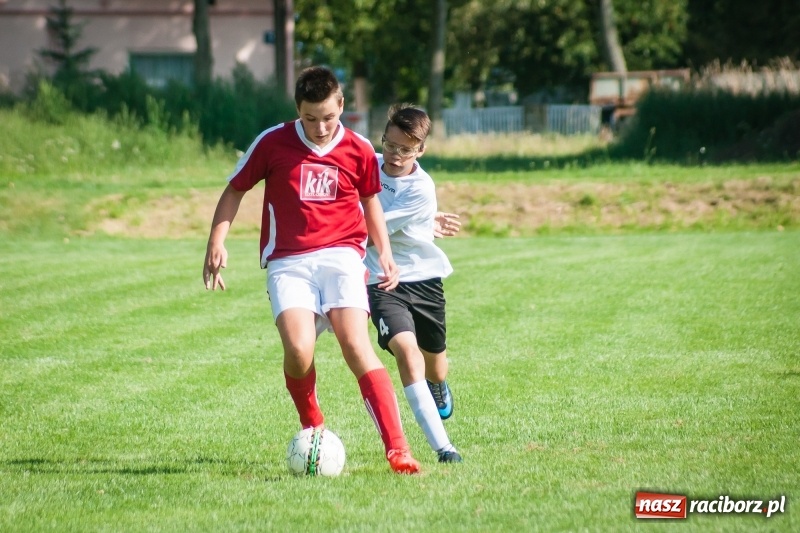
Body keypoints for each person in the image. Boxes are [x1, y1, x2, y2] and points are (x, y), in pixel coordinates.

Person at [202, 67, 421, 475]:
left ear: (341, 105)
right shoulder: (272, 142)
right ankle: (312, 424)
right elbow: (235, 189)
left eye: (328, 117)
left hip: (342, 256)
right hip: (288, 261)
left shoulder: (356, 148)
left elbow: (371, 200)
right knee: (299, 350)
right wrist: (217, 239)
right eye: (309, 118)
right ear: (297, 111)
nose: (320, 128)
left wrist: (385, 252)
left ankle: (398, 449)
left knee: (356, 345)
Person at [365, 103, 463, 464]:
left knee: (435, 365)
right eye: (389, 145)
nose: (394, 155)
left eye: (405, 149)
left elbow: (369, 230)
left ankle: (437, 386)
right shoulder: (368, 163)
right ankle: (444, 448)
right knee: (408, 353)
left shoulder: (422, 188)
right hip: (383, 280)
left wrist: (423, 221)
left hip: (424, 280)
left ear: (421, 149)